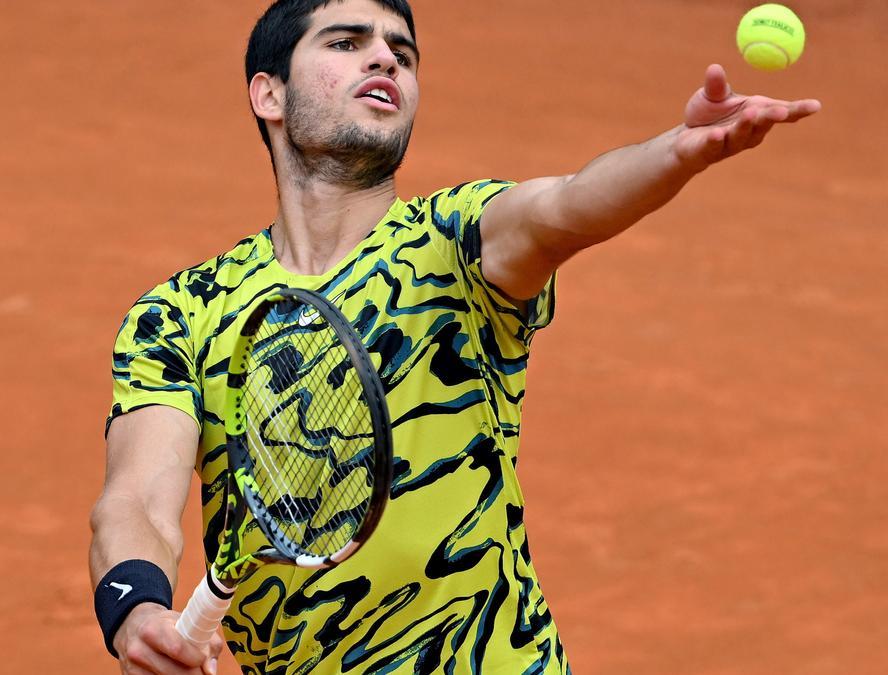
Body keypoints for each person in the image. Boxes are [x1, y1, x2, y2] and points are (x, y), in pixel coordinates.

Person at [88, 0, 821, 673]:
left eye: (402, 55)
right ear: (268, 94)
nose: (384, 59)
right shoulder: (182, 313)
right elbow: (138, 500)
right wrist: (137, 608)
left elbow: (564, 207)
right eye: (347, 42)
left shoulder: (454, 242)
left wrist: (675, 152)